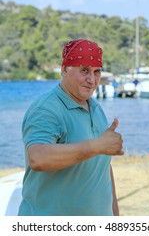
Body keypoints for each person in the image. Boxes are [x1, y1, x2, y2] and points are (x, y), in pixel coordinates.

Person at [18, 39, 124, 216]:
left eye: (97, 72)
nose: (92, 80)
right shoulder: (46, 108)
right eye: (84, 70)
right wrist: (97, 145)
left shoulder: (95, 107)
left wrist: (114, 216)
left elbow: (102, 168)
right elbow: (37, 157)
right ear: (64, 69)